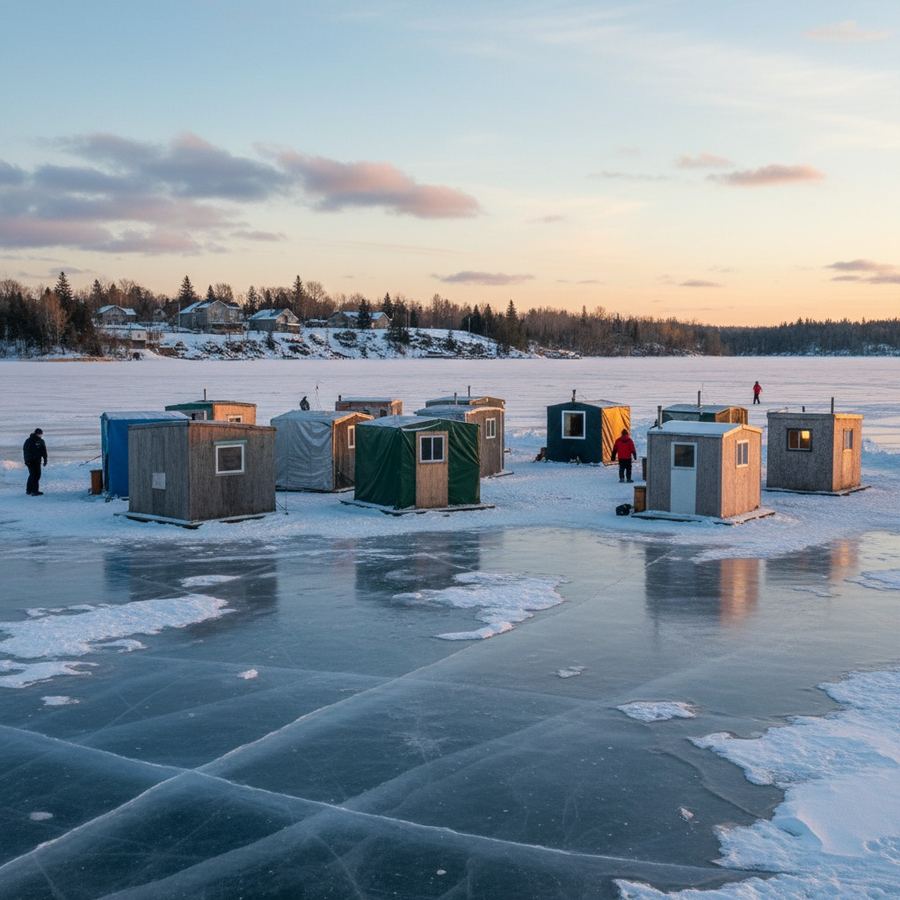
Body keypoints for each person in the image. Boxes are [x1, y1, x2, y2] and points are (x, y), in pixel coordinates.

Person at [23, 428, 48, 496]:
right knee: (34, 475)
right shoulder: (29, 441)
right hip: (30, 461)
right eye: (39, 434)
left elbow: (44, 451)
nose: (40, 435)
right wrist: (27, 460)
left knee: (37, 475)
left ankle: (30, 490)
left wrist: (45, 459)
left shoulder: (41, 441)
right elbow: (26, 452)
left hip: (37, 461)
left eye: (41, 434)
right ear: (36, 433)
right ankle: (33, 491)